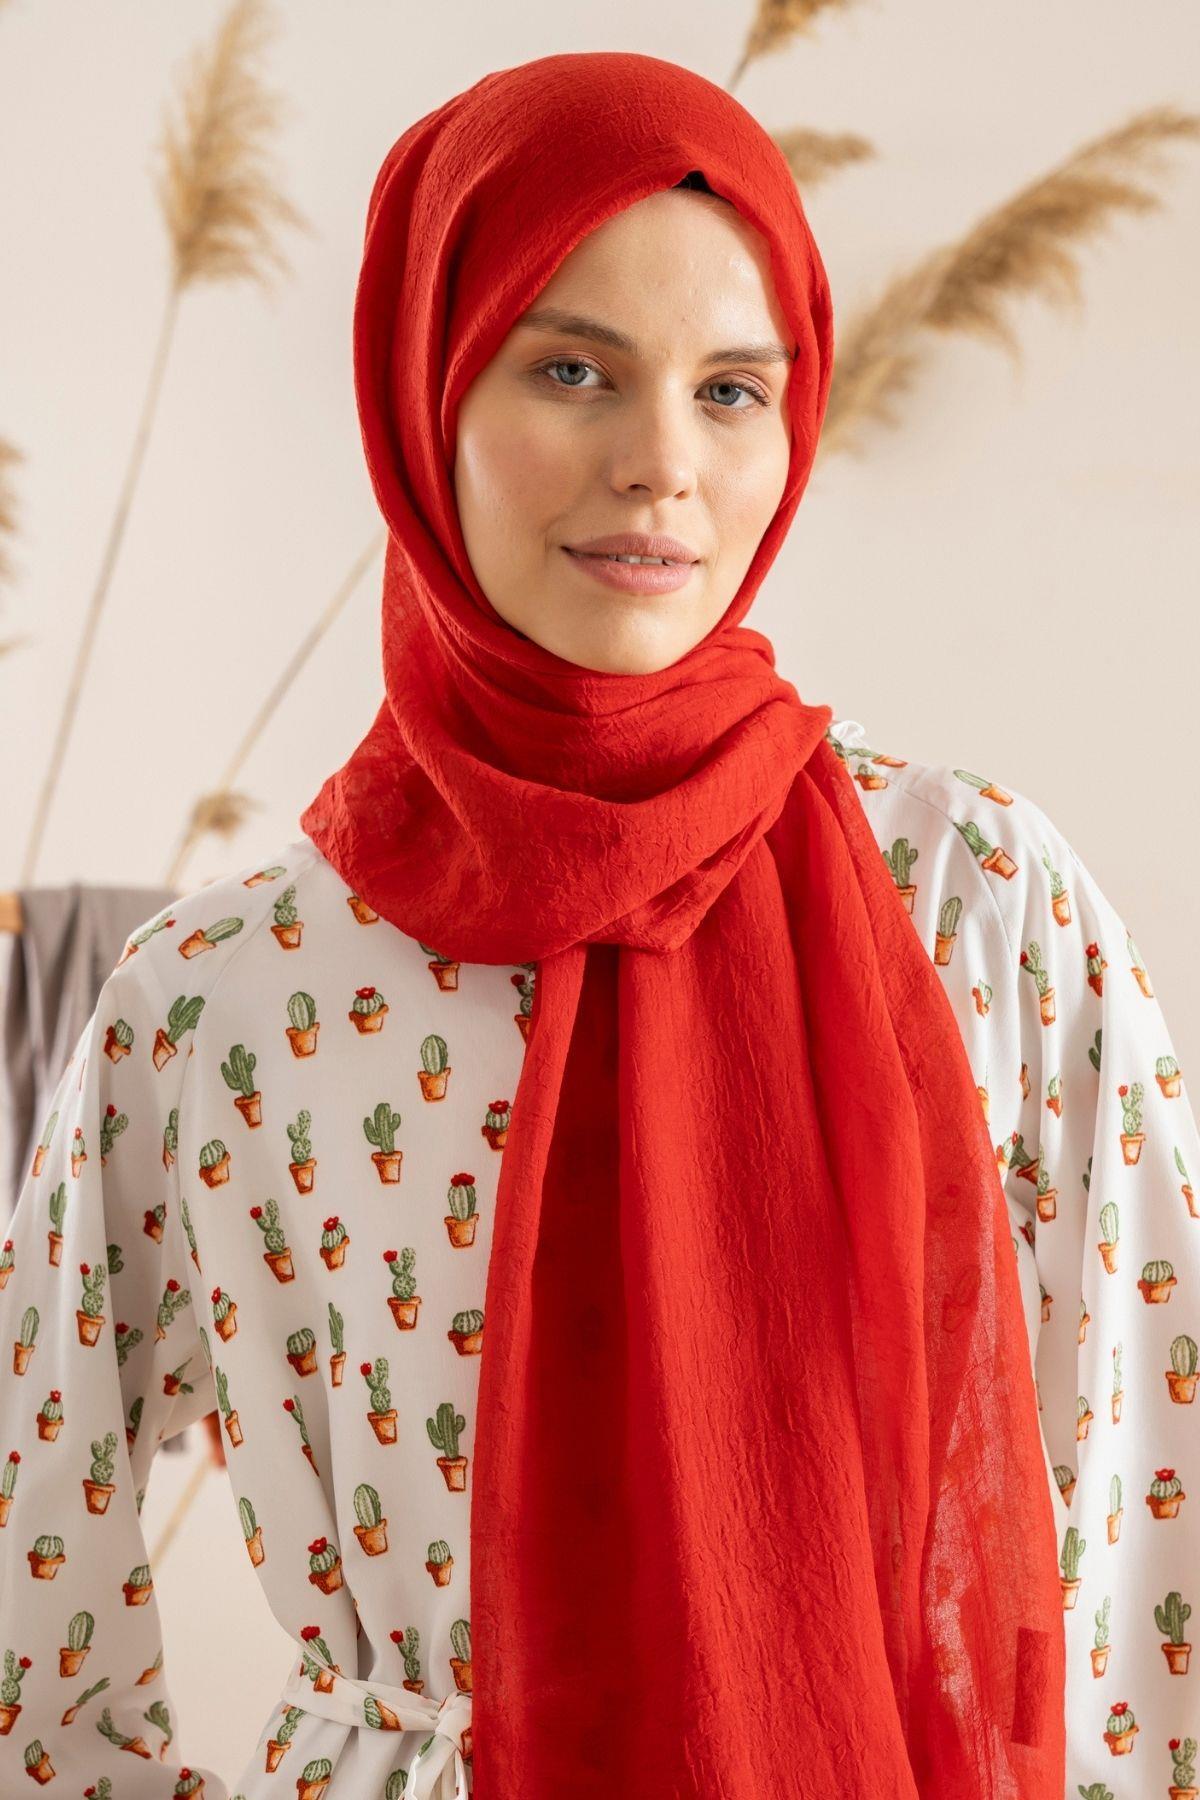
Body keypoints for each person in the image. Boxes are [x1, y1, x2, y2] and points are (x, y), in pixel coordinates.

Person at [1, 49, 1195, 1800]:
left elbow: (1164, 1482)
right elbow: (37, 1554)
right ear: (421, 393)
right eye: (572, 369)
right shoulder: (223, 1003)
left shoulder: (974, 902)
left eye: (731, 390)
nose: (660, 465)